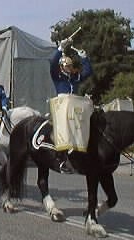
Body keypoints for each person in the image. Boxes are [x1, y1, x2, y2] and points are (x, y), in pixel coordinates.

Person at [49, 37, 93, 173]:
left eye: (70, 66)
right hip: (62, 108)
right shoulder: (58, 76)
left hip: (74, 109)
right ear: (62, 67)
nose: (69, 68)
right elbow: (52, 64)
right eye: (67, 66)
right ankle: (61, 158)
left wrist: (84, 58)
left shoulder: (75, 78)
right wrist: (60, 49)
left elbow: (88, 72)